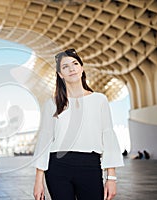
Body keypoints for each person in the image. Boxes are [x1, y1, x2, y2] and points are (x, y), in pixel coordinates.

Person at [33, 49, 124, 200]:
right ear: (60, 74)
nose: (71, 68)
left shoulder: (99, 100)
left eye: (75, 63)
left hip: (90, 166)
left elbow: (108, 136)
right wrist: (38, 180)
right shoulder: (52, 104)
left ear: (82, 68)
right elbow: (45, 139)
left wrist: (111, 177)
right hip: (57, 168)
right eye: (65, 66)